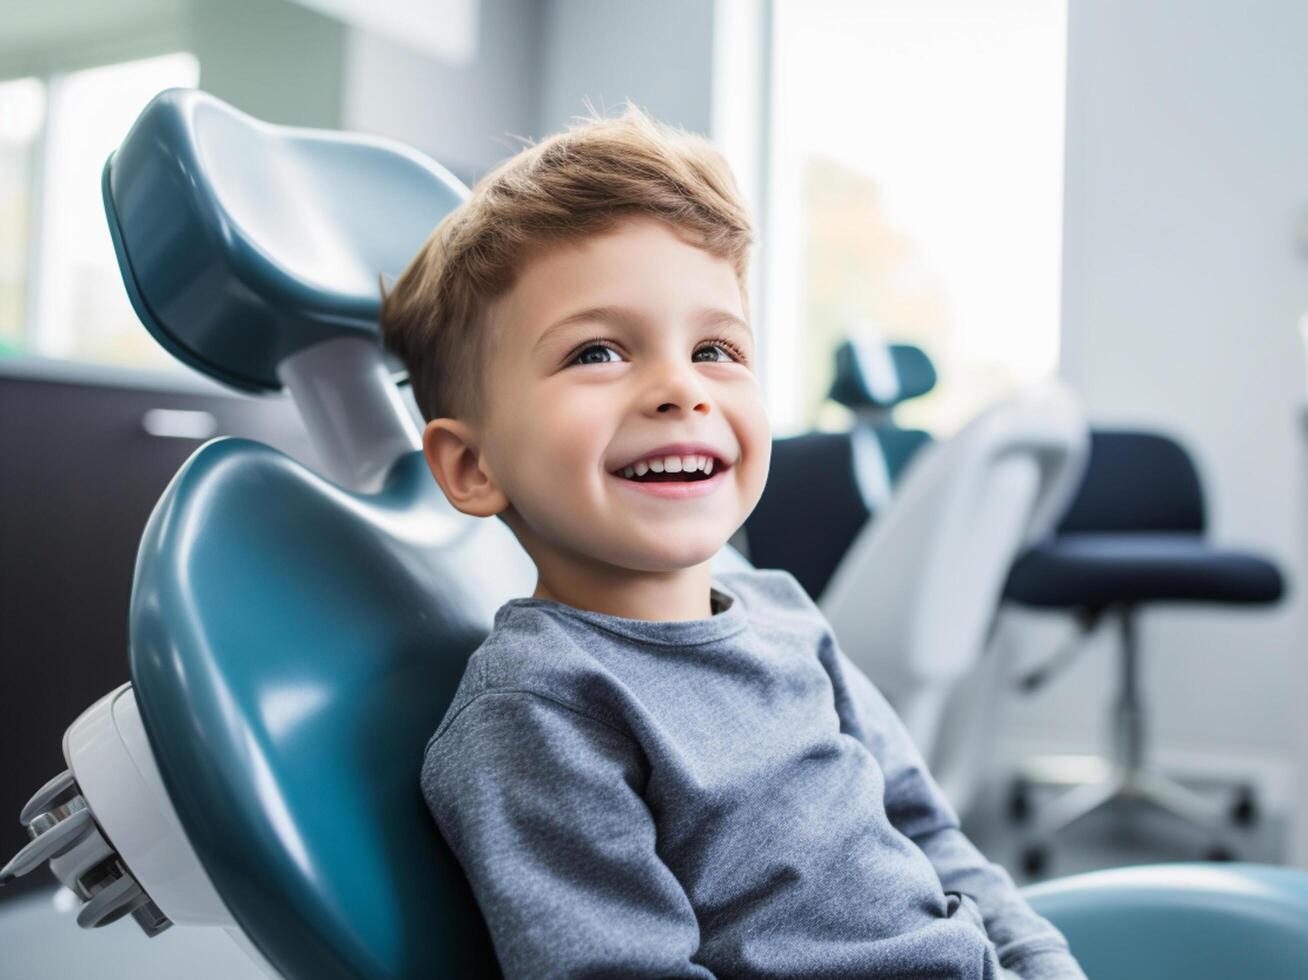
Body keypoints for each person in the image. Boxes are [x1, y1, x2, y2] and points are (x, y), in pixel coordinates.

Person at [379, 103, 1086, 980]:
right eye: (597, 353)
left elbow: (927, 829)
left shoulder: (785, 613)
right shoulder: (542, 711)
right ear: (473, 465)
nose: (680, 388)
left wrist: (1044, 964)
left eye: (715, 347)